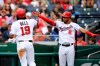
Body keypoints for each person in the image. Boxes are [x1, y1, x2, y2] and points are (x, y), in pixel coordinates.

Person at [33, 11, 99, 66]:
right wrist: (40, 16)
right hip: (61, 47)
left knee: (70, 65)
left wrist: (91, 34)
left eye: (65, 17)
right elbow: (50, 22)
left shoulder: (74, 25)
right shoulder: (60, 24)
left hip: (70, 47)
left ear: (69, 18)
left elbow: (83, 30)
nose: (63, 18)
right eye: (63, 17)